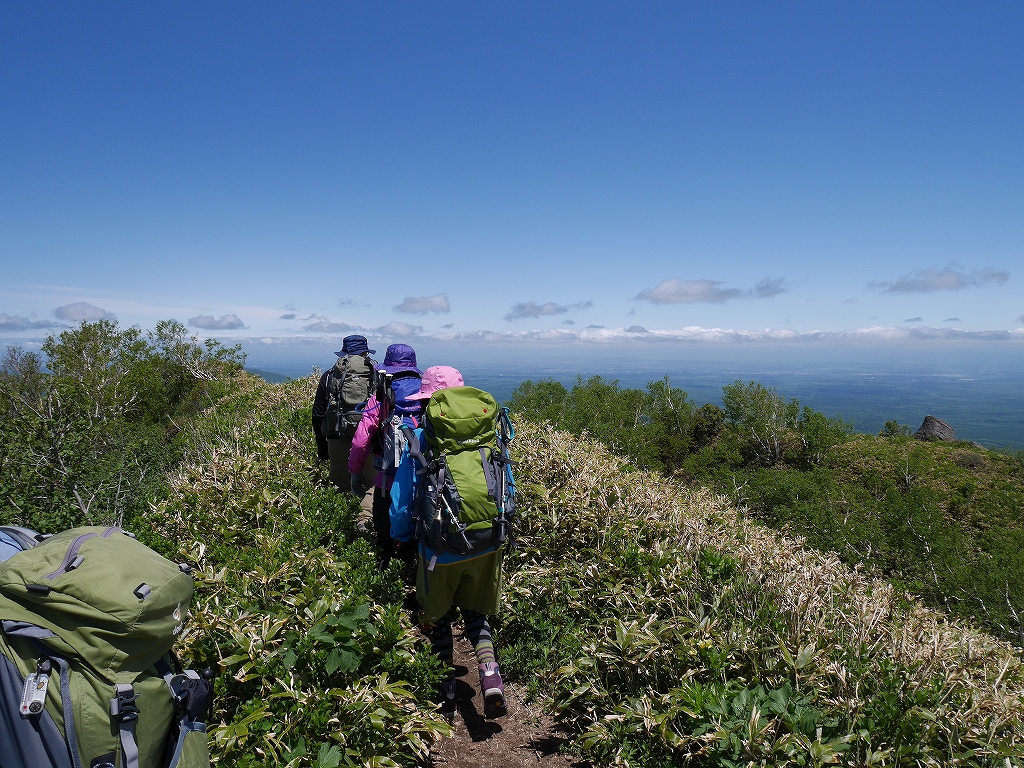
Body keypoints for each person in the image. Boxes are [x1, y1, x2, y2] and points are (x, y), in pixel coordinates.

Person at [388, 366, 508, 720]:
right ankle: (489, 674)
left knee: (435, 615)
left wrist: (400, 539)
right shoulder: (490, 435)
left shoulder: (424, 438)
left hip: (439, 549)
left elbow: (402, 501)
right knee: (475, 613)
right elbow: (507, 489)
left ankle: (446, 687)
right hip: (488, 541)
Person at [347, 343, 422, 567]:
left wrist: (355, 471)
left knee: (384, 533)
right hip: (422, 478)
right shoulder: (428, 394)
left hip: (387, 480)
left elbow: (361, 440)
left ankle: (384, 575)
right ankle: (411, 570)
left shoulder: (382, 398)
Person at [312, 335, 377, 530]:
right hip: (369, 436)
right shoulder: (375, 374)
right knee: (373, 484)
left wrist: (321, 444)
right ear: (365, 352)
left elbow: (318, 414)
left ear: (344, 353)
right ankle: (366, 525)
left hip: (337, 435)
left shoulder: (330, 376)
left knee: (342, 484)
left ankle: (340, 529)